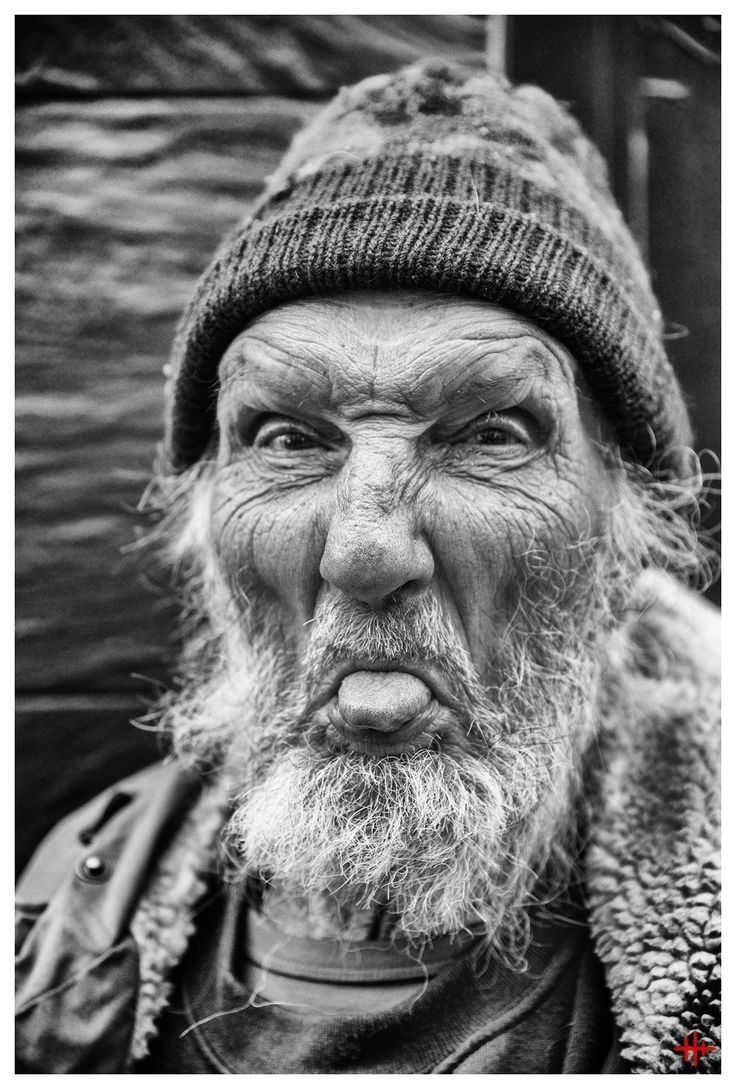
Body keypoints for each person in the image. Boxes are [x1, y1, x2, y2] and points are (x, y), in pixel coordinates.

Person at [16, 60, 720, 1074]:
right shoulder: (66, 901)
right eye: (288, 438)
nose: (364, 551)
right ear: (202, 531)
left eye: (491, 434)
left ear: (625, 537)